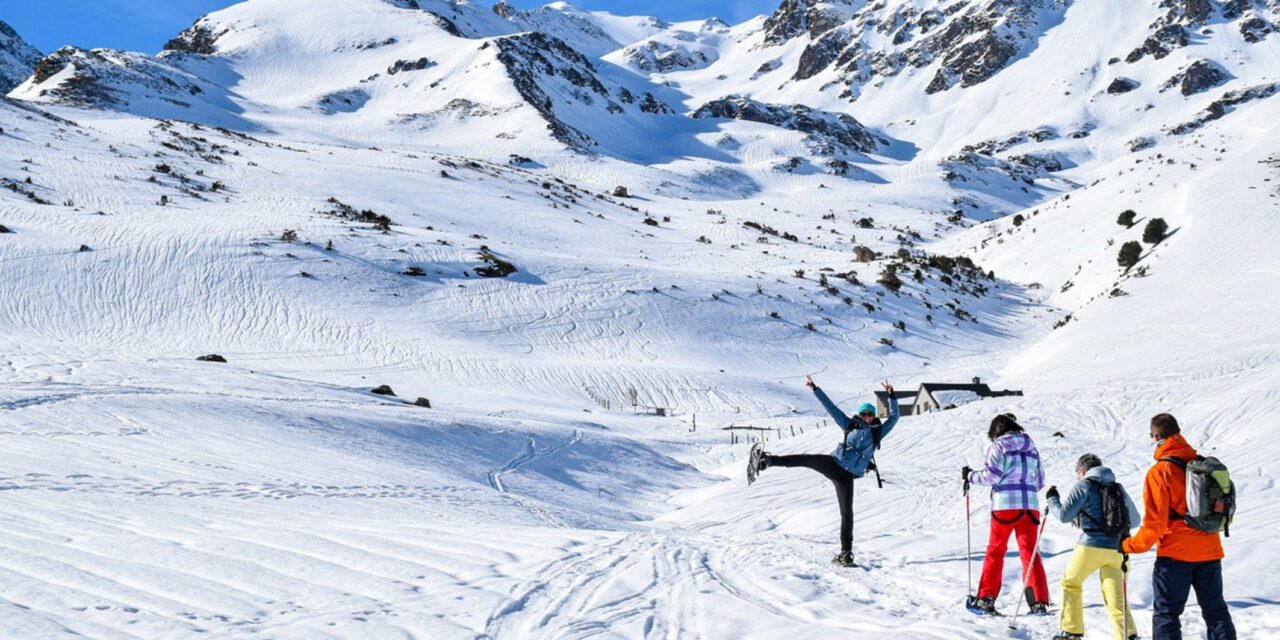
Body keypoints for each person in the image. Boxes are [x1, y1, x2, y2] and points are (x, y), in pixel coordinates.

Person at [752, 376, 898, 566]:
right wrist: (815, 389)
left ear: (874, 416)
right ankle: (767, 461)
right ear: (860, 416)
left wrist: (891, 395)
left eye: (870, 414)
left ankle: (846, 554)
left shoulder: (878, 432)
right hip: (834, 462)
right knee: (806, 459)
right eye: (864, 415)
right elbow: (831, 408)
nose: (867, 417)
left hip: (847, 475)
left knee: (847, 512)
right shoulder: (849, 425)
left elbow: (894, 417)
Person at [1121, 414, 1236, 640]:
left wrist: (1128, 545)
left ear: (1155, 437)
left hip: (1175, 556)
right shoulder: (1202, 464)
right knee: (1216, 612)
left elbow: (1154, 525)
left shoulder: (1160, 472)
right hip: (1210, 551)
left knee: (1167, 615)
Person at [1046, 453, 1141, 640]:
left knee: (1070, 583)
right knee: (1117, 598)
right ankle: (1128, 635)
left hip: (1090, 546)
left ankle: (1071, 633)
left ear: (1082, 471)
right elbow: (1136, 520)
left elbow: (1064, 515)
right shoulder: (1117, 487)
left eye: (1077, 473)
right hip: (1118, 550)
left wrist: (1052, 499)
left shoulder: (1084, 485)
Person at [964, 413, 1049, 615]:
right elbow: (1040, 481)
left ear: (995, 432)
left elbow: (992, 475)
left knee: (996, 550)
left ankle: (986, 598)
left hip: (1005, 505)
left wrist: (970, 476)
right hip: (1030, 505)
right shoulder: (1032, 448)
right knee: (1030, 552)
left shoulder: (998, 447)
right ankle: (1038, 601)